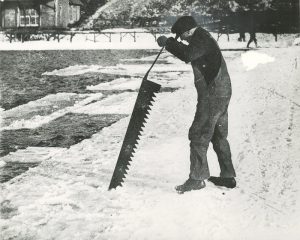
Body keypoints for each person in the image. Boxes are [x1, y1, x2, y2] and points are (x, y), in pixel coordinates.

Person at [157, 16, 236, 194]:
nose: (182, 39)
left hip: (213, 94)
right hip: (221, 92)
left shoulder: (200, 38)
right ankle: (227, 176)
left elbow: (187, 55)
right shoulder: (203, 36)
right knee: (218, 135)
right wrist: (171, 43)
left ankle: (197, 179)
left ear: (187, 31)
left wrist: (168, 43)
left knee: (198, 134)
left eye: (181, 35)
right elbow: (190, 51)